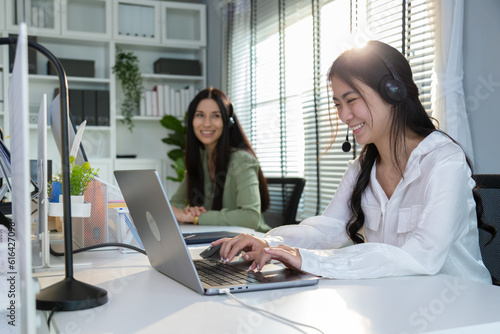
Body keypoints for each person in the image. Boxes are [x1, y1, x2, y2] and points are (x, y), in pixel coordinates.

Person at [213, 40, 496, 284]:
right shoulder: (362, 169)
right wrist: (270, 242)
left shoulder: (444, 161)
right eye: (338, 104)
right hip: (397, 303)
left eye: (352, 100)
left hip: (460, 309)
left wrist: (312, 261)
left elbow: (421, 256)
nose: (344, 115)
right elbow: (327, 229)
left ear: (393, 92)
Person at [170, 88, 270, 232]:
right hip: (218, 241)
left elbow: (250, 217)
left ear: (227, 122)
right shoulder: (200, 158)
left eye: (215, 116)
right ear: (191, 121)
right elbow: (174, 206)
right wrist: (189, 213)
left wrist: (196, 218)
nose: (207, 123)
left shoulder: (242, 160)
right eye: (200, 115)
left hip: (254, 245)